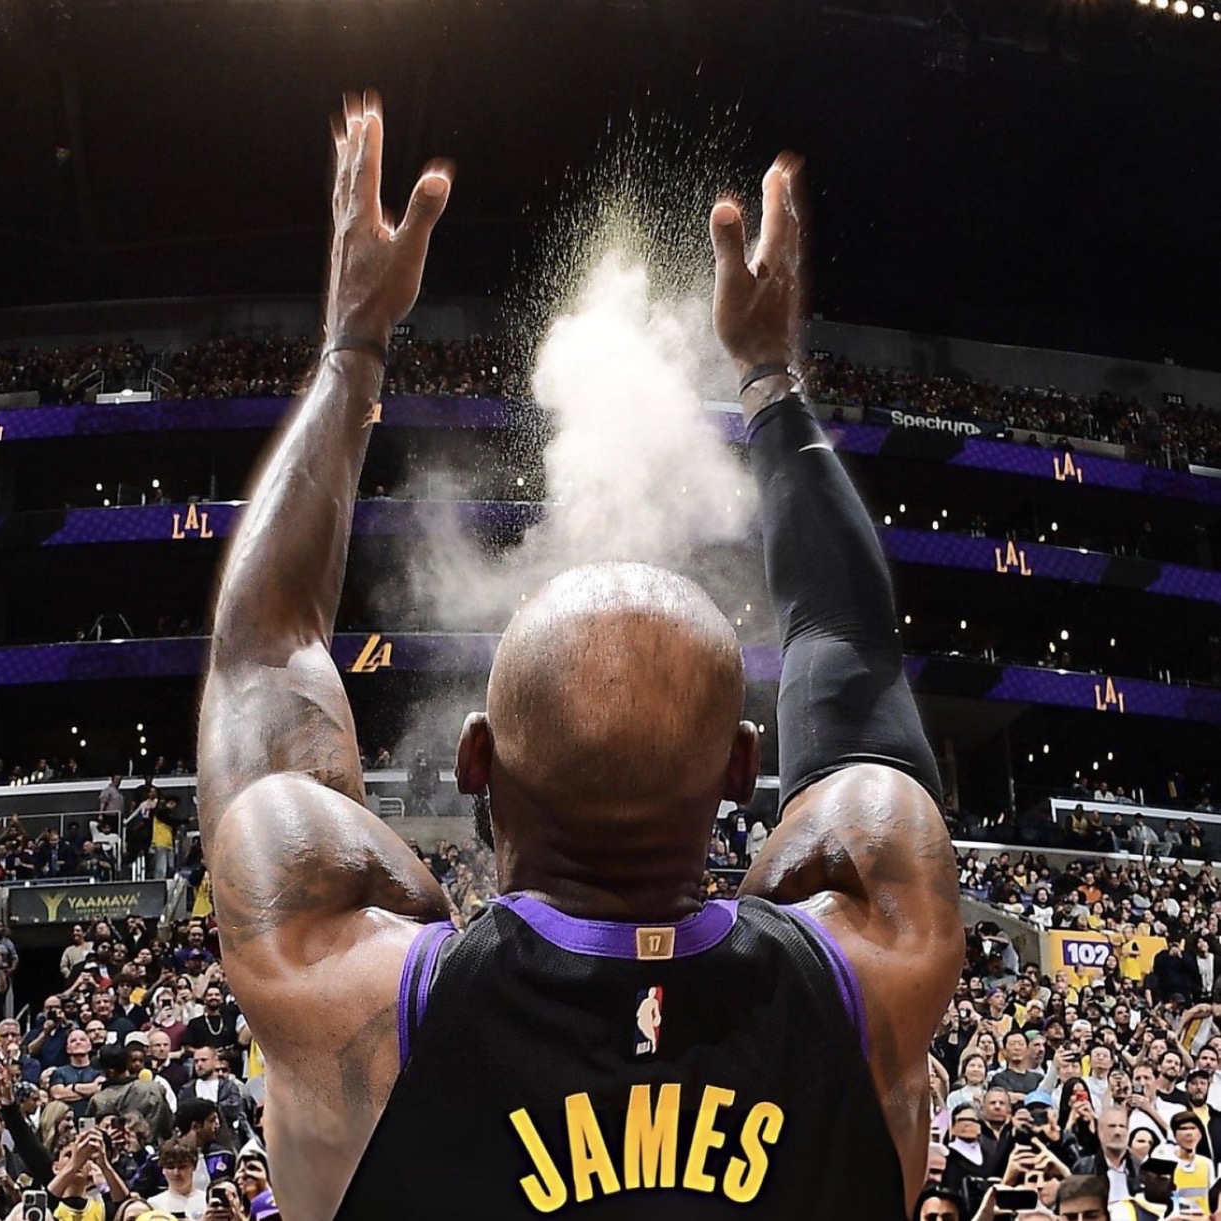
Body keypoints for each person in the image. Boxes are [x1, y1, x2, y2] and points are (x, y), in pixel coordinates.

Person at [195, 94, 961, 1218]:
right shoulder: (874, 970)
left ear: (474, 758)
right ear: (743, 768)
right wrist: (769, 379)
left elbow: (265, 649)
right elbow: (847, 645)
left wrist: (354, 345)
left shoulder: (355, 995)